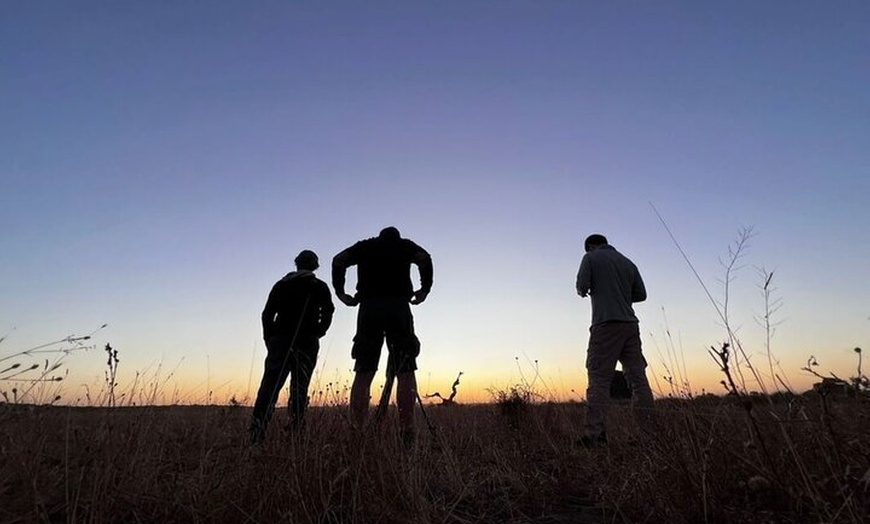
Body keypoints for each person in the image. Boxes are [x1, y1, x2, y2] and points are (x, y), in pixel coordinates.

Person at [332, 226, 433, 441]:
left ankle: (357, 431)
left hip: (369, 310)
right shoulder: (405, 246)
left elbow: (339, 260)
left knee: (363, 371)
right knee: (406, 371)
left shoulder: (366, 246)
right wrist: (424, 290)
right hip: (399, 308)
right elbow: (424, 259)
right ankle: (407, 431)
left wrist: (340, 292)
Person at [575, 234, 654, 446]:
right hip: (630, 325)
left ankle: (595, 436)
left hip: (605, 325)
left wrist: (590, 290)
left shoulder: (590, 258)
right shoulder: (628, 263)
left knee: (599, 378)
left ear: (591, 246)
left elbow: (582, 287)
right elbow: (641, 295)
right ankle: (649, 436)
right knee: (638, 379)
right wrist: (621, 294)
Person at [250, 250, 334, 444]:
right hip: (307, 342)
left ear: (297, 263)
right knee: (300, 388)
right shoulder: (319, 286)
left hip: (280, 342)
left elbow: (267, 314)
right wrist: (319, 331)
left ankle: (257, 432)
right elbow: (329, 311)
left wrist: (269, 338)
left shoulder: (281, 285)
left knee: (269, 386)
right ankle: (296, 431)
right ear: (315, 266)